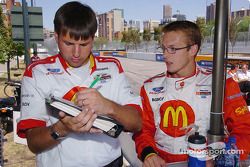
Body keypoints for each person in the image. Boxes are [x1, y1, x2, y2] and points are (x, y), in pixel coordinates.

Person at [17, 2, 142, 167]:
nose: (76, 53)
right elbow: (33, 143)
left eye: (84, 44)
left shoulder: (112, 67)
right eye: (68, 43)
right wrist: (62, 128)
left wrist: (108, 106)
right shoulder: (37, 72)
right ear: (56, 37)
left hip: (111, 163)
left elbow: (137, 122)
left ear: (93, 38)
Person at [133, 20, 250, 166]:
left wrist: (219, 156)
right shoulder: (150, 87)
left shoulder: (220, 83)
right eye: (163, 48)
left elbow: (245, 129)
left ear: (193, 49)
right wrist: (148, 153)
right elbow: (143, 129)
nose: (165, 55)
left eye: (173, 49)